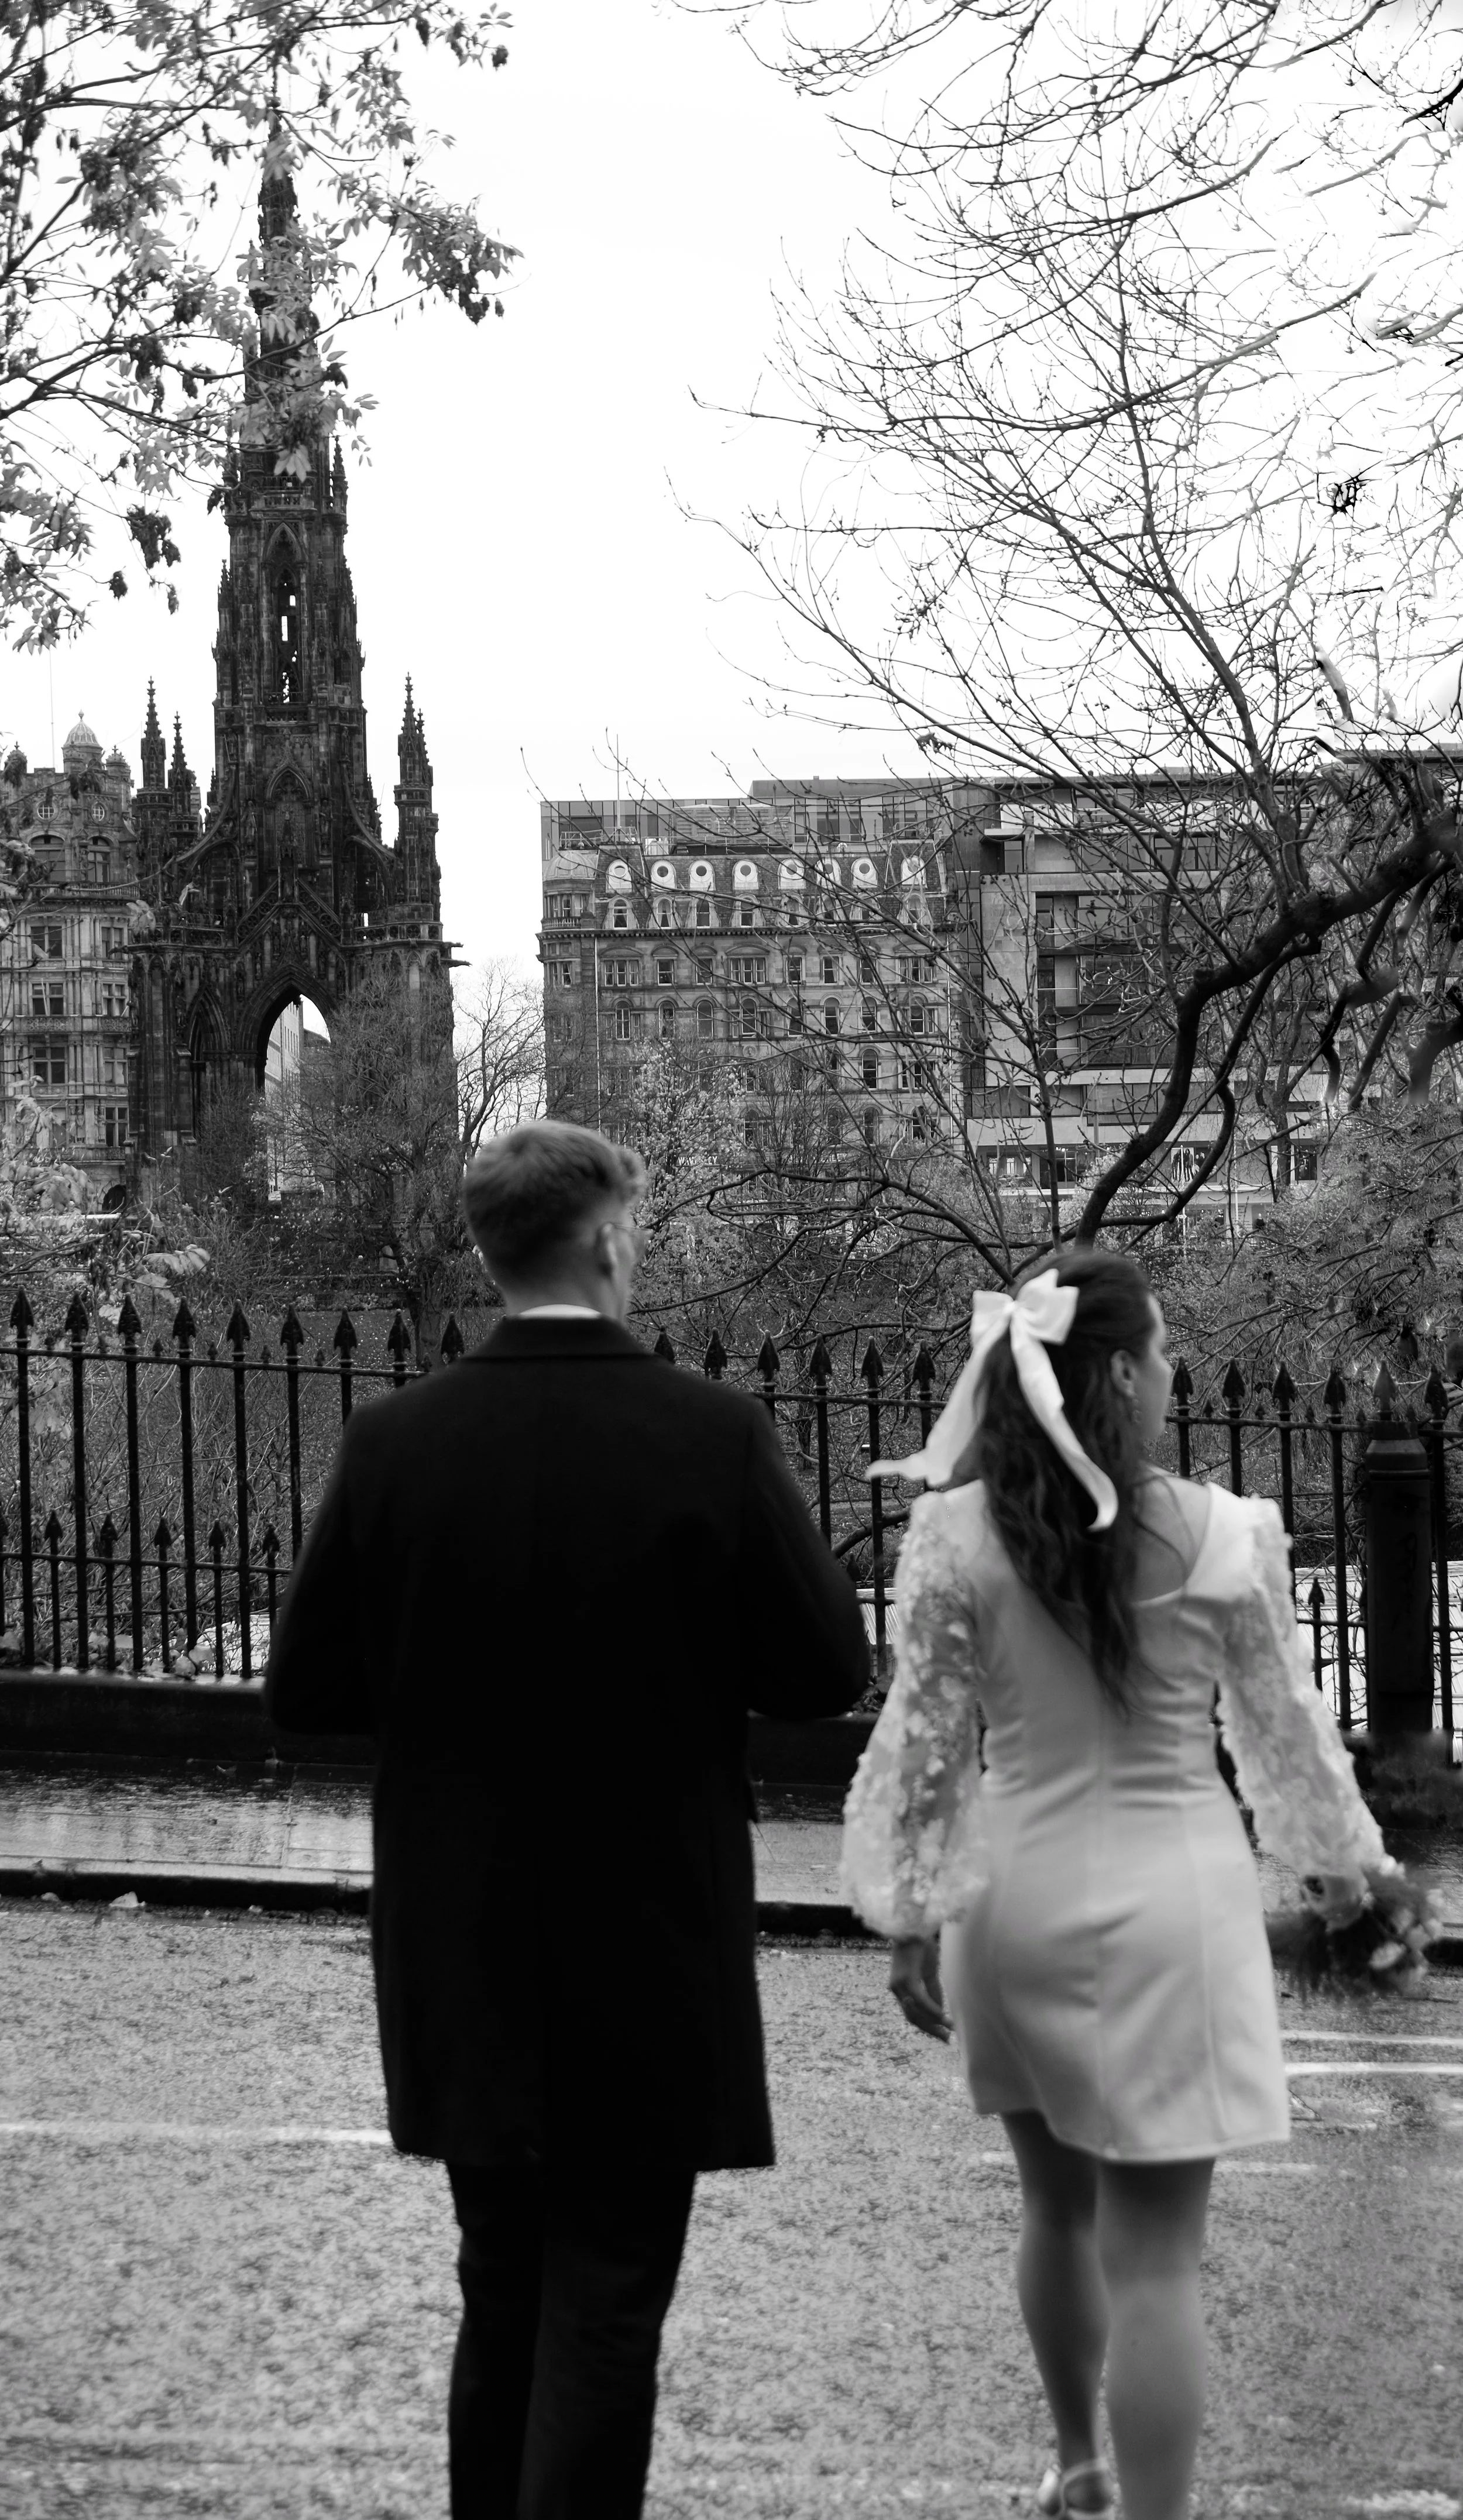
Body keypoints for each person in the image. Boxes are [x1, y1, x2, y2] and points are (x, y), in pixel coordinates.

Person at [265, 1119, 869, 2520]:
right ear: (606, 1238)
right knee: (606, 2300)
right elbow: (821, 1671)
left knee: (502, 2284)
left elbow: (306, 1686)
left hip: (462, 1931)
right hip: (647, 1931)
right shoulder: (708, 1431)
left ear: (488, 1251)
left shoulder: (395, 1438)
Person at [841, 1248, 1397, 2520]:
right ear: (1125, 1376)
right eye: (1160, 1352)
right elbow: (1286, 1739)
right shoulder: (1228, 1533)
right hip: (1172, 1903)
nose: (1169, 1373)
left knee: (1051, 2208)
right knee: (1155, 2261)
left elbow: (924, 1740)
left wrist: (911, 1914)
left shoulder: (950, 1531)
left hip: (1012, 1898)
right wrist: (1342, 1880)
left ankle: (1076, 2461)